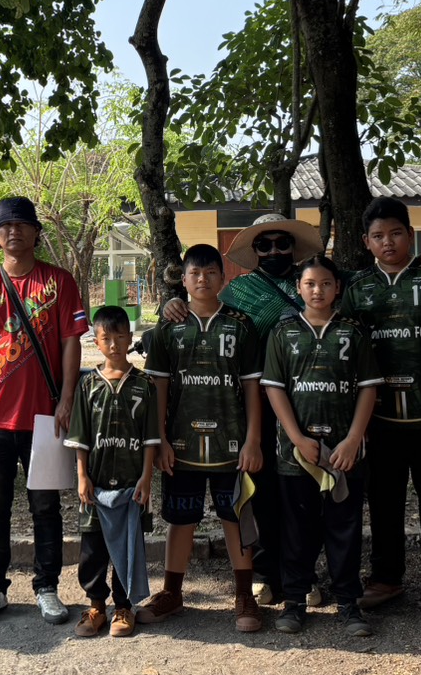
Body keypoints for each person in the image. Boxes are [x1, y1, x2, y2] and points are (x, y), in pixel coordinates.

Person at [159, 214, 323, 607]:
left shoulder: (314, 282)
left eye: (282, 243)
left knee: (302, 494)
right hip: (256, 407)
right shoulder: (239, 292)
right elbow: (202, 308)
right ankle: (264, 573)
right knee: (258, 493)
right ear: (254, 251)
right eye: (264, 245)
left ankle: (303, 574)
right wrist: (172, 304)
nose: (274, 251)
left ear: (294, 247)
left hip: (307, 401)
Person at [0, 197, 86, 626]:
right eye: (5, 226)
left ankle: (47, 587)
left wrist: (67, 398)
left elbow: (71, 341)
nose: (14, 231)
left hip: (44, 418)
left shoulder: (59, 282)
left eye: (22, 224)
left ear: (36, 233)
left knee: (45, 507)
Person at [340, 197, 421, 614]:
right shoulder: (356, 288)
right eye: (378, 236)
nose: (388, 242)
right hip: (380, 418)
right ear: (366, 241)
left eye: (396, 233)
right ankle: (386, 578)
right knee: (383, 500)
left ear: (411, 235)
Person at [138, 243, 265, 633]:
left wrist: (253, 440)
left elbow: (252, 387)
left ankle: (244, 594)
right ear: (184, 279)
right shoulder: (167, 328)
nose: (203, 280)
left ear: (223, 278)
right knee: (181, 519)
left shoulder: (241, 325)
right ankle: (172, 592)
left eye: (211, 273)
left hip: (232, 444)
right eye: (195, 273)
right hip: (181, 445)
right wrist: (160, 439)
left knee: (234, 516)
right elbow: (159, 387)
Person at [263, 254, 384, 636]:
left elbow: (367, 389)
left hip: (344, 453)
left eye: (326, 283)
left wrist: (352, 440)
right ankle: (295, 602)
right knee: (297, 530)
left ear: (338, 288)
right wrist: (298, 438)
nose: (318, 290)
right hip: (296, 455)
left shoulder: (352, 332)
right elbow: (274, 389)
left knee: (344, 527)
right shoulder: (283, 332)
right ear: (298, 288)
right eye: (310, 284)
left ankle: (348, 604)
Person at [64, 305, 159, 638]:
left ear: (130, 338)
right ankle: (95, 606)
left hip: (132, 485)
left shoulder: (144, 385)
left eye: (120, 337)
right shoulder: (88, 385)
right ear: (97, 341)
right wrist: (82, 476)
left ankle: (123, 606)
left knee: (128, 547)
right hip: (96, 485)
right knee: (92, 549)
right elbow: (81, 438)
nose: (115, 344)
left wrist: (147, 477)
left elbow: (150, 438)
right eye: (107, 338)